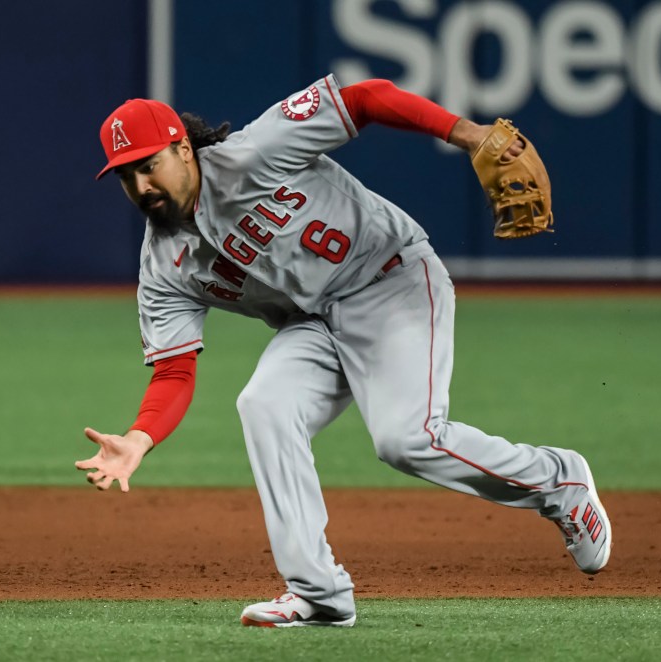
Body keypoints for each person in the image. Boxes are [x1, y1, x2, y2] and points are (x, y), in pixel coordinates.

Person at [77, 74, 611, 628]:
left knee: (407, 440)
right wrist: (139, 438)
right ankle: (319, 593)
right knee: (265, 404)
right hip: (316, 323)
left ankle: (558, 482)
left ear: (183, 149)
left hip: (392, 281)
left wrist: (470, 135)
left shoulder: (256, 152)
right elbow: (173, 370)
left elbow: (364, 97)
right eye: (125, 175)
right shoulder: (163, 264)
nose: (141, 186)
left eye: (149, 165)